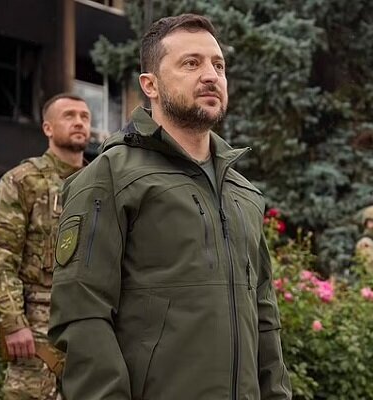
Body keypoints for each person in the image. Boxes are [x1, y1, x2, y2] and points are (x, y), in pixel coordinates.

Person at [49, 14, 292, 400]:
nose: (211, 76)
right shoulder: (111, 177)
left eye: (218, 65)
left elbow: (265, 320)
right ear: (151, 85)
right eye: (191, 63)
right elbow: (82, 317)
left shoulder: (242, 192)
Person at [0, 93, 91, 400]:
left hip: (92, 326)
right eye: (69, 116)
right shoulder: (23, 181)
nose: (79, 122)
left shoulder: (102, 183)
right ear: (47, 128)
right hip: (38, 327)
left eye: (84, 117)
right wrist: (13, 322)